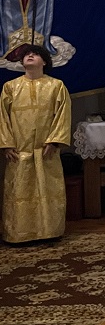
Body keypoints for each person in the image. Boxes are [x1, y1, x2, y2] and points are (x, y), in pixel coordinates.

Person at [0, 44, 71, 243]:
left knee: (47, 190)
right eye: (27, 54)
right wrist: (6, 143)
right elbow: (2, 117)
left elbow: (63, 116)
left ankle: (49, 232)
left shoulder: (56, 86)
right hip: (19, 151)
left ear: (45, 61)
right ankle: (18, 234)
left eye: (36, 54)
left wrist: (55, 141)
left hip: (46, 150)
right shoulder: (10, 87)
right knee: (19, 191)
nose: (30, 56)